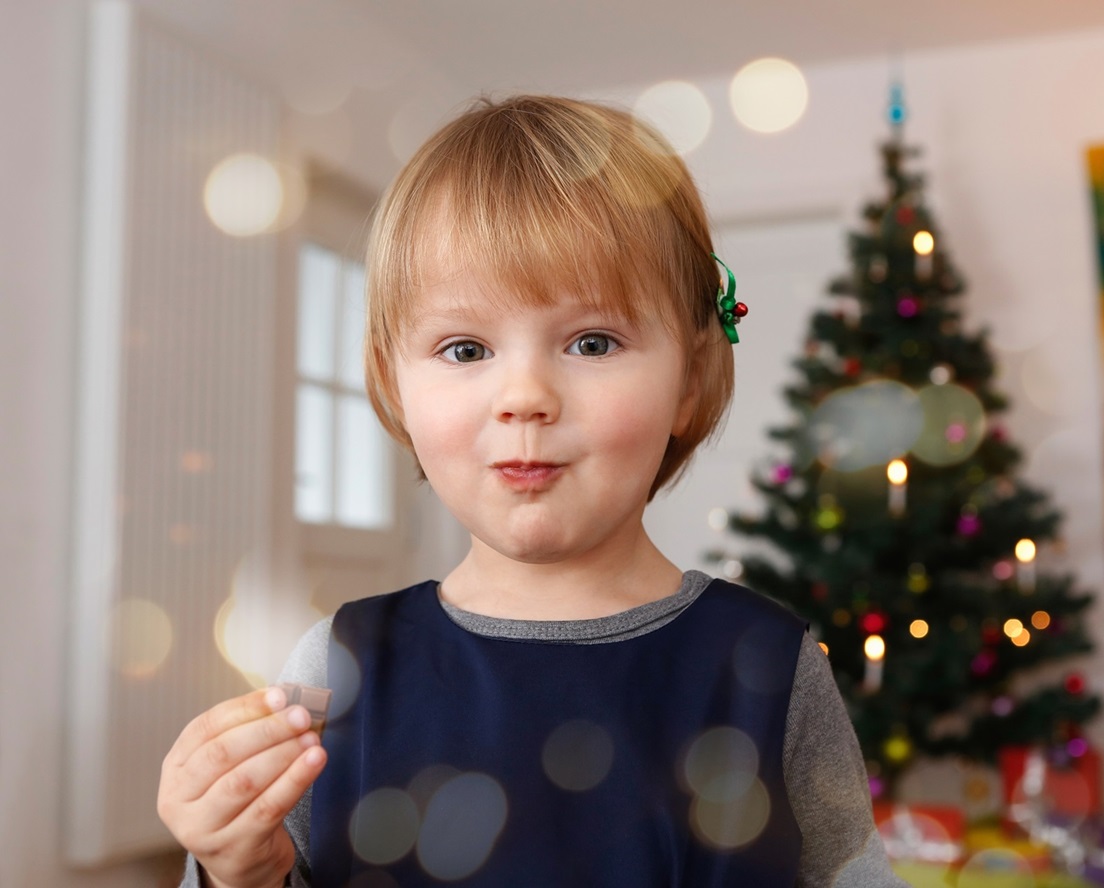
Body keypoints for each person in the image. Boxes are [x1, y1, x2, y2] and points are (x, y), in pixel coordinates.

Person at [158, 95, 908, 888]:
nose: (524, 395)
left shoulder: (769, 666)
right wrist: (236, 872)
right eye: (465, 347)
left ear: (689, 377)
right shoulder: (339, 668)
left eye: (592, 341)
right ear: (392, 385)